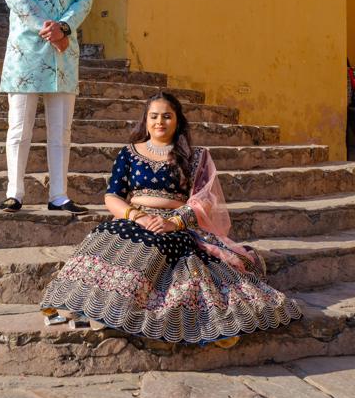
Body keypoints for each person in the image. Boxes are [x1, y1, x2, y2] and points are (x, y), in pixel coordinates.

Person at [41, 92, 302, 345]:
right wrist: (137, 217)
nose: (159, 122)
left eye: (167, 116)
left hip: (175, 222)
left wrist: (174, 222)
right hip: (134, 218)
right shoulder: (129, 153)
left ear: (177, 121)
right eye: (153, 116)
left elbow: (205, 198)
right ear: (145, 120)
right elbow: (112, 197)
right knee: (105, 237)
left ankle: (117, 308)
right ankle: (83, 302)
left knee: (156, 248)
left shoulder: (194, 156)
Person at [0, 0, 92, 215]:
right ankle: (15, 192)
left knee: (61, 130)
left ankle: (59, 195)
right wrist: (50, 30)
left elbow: (85, 0)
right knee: (20, 127)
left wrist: (64, 28)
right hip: (26, 51)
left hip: (64, 53)